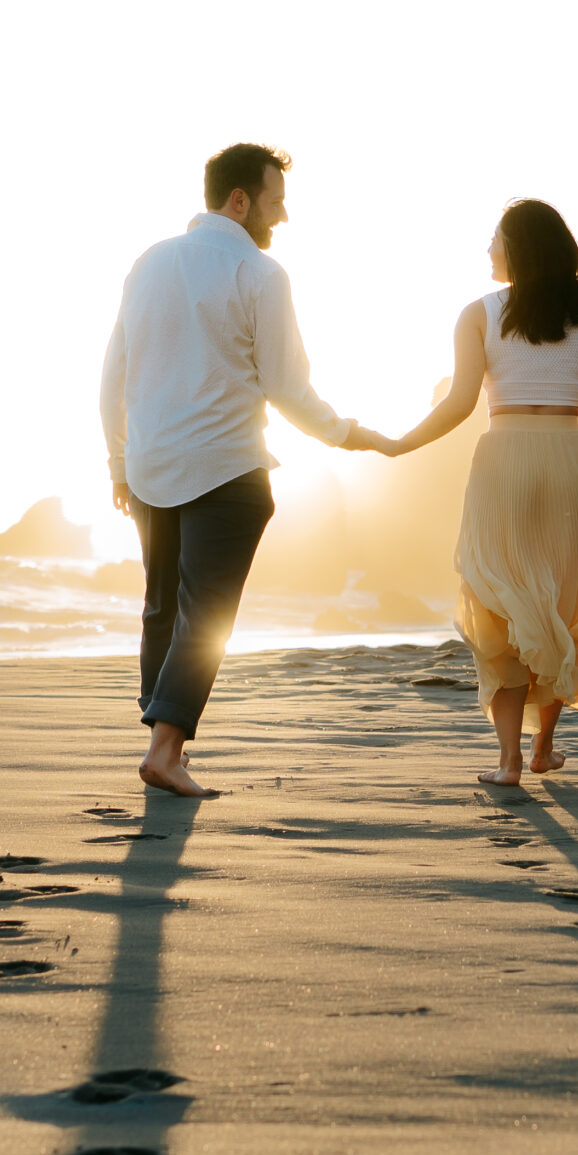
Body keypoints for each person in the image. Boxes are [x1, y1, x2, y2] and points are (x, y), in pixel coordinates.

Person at [100, 143, 383, 797]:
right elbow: (286, 386)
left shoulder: (147, 262)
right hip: (226, 470)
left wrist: (117, 460)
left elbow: (113, 374)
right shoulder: (259, 274)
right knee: (206, 613)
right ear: (240, 201)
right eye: (275, 202)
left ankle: (161, 741)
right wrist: (346, 433)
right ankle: (165, 751)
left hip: (149, 467)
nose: (281, 218)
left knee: (161, 607)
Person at [375, 198, 578, 785]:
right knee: (562, 605)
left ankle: (508, 760)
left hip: (504, 462)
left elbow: (459, 404)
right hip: (569, 461)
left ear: (520, 247)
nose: (488, 248)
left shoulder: (478, 314)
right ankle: (543, 748)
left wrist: (402, 444)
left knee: (500, 606)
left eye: (496, 238)